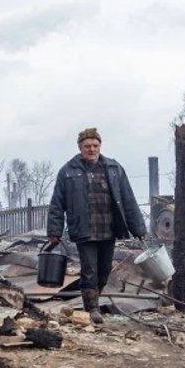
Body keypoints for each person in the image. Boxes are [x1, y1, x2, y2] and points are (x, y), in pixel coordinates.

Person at [47, 128, 146, 324]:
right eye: (87, 146)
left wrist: (138, 229)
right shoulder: (68, 171)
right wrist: (54, 231)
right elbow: (57, 203)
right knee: (90, 270)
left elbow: (128, 199)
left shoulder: (114, 168)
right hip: (84, 230)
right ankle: (92, 308)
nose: (91, 149)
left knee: (104, 271)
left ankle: (95, 299)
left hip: (108, 229)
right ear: (80, 148)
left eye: (95, 145)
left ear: (100, 146)